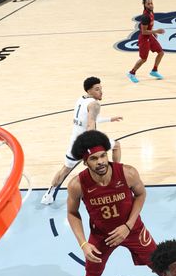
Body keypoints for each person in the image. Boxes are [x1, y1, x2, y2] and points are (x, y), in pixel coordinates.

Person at [66, 130, 156, 276]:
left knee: (161, 265)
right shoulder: (77, 185)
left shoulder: (128, 173)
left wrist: (128, 225)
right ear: (85, 162)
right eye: (93, 159)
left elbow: (141, 194)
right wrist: (83, 243)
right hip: (101, 237)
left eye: (102, 156)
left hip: (132, 230)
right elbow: (72, 213)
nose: (100, 162)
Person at [41, 76, 123, 205]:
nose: (101, 92)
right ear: (89, 91)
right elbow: (91, 125)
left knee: (65, 170)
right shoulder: (95, 104)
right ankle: (115, 177)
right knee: (116, 146)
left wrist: (110, 119)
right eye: (97, 89)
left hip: (75, 143)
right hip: (88, 142)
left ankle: (48, 194)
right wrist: (94, 145)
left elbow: (87, 119)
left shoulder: (81, 99)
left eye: (101, 89)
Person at [128, 0, 165, 83]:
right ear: (144, 5)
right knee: (144, 59)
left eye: (151, 3)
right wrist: (156, 31)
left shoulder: (151, 12)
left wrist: (153, 32)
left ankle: (154, 71)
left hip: (150, 36)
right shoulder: (145, 17)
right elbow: (144, 32)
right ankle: (131, 73)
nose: (151, 5)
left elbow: (149, 26)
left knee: (161, 52)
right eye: (148, 4)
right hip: (144, 39)